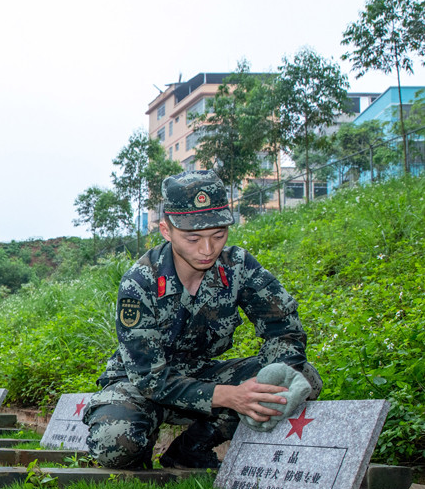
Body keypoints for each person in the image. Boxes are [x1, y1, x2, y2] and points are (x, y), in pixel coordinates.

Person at [82, 170, 322, 470]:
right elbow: (150, 379)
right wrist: (231, 396)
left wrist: (277, 374)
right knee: (115, 442)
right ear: (166, 230)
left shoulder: (238, 267)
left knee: (302, 378)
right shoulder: (140, 281)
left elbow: (283, 328)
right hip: (140, 385)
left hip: (202, 376)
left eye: (218, 236)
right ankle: (141, 442)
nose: (207, 250)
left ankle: (190, 448)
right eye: (193, 238)